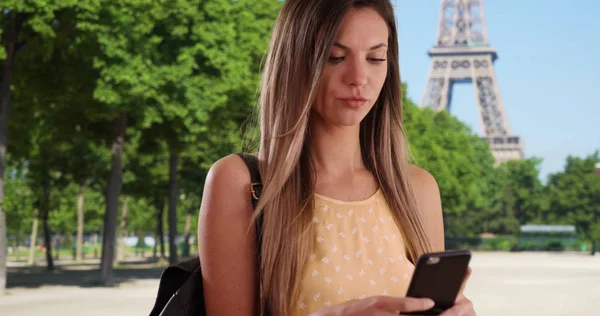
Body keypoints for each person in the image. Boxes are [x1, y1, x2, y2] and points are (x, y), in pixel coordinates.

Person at [197, 0, 476, 315]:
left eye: (375, 58)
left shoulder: (418, 189)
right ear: (294, 61)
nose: (358, 77)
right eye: (336, 57)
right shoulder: (240, 182)